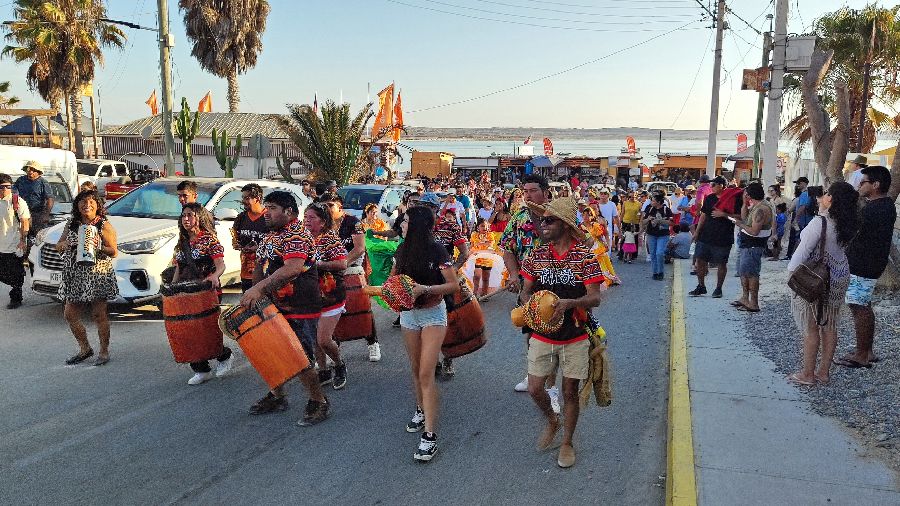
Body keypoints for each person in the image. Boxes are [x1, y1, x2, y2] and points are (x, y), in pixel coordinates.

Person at [519, 197, 605, 468]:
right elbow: (526, 289)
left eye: (549, 220)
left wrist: (571, 304)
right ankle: (552, 420)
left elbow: (595, 298)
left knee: (570, 391)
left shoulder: (584, 256)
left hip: (575, 334)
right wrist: (526, 300)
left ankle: (567, 441)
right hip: (541, 334)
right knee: (534, 389)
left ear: (565, 225)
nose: (542, 225)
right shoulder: (537, 254)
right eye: (542, 220)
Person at [240, 191, 330, 424]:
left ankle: (318, 401)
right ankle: (278, 396)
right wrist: (256, 292)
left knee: (299, 356)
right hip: (273, 305)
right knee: (270, 351)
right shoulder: (270, 237)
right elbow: (260, 266)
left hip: (300, 305)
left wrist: (258, 290)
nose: (265, 212)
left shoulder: (297, 235)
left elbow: (292, 268)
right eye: (266, 207)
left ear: (288, 212)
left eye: (271, 208)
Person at [393, 206, 459, 462]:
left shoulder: (437, 250)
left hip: (433, 314)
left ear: (418, 224)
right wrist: (389, 290)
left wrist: (425, 289)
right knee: (414, 367)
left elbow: (453, 284)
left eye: (407, 221)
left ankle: (430, 436)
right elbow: (393, 281)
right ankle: (420, 409)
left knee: (425, 371)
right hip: (409, 314)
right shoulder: (401, 250)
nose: (402, 225)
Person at [786, 181, 859, 386]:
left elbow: (800, 254)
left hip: (816, 277)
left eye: (826, 194)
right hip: (839, 275)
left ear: (831, 200)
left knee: (811, 327)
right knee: (830, 324)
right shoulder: (849, 223)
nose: (822, 197)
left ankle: (807, 374)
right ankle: (823, 372)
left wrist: (790, 276)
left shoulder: (820, 223)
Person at [500, 174, 558, 409]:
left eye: (533, 190)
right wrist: (514, 275)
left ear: (545, 192)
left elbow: (581, 246)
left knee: (553, 337)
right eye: (525, 191)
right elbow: (507, 249)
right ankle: (534, 375)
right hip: (527, 287)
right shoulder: (520, 217)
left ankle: (552, 389)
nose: (528, 195)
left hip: (556, 286)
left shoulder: (558, 216)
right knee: (530, 336)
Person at [836, 166, 896, 369]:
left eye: (863, 182)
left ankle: (862, 354)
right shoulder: (882, 206)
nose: (859, 186)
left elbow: (852, 228)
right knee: (862, 305)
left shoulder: (877, 208)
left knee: (858, 306)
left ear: (876, 185)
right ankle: (866, 350)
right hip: (866, 265)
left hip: (864, 266)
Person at [171, 203, 234, 384]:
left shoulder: (209, 240)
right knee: (188, 331)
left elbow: (221, 265)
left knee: (207, 329)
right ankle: (201, 369)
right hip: (185, 292)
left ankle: (224, 356)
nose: (186, 219)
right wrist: (173, 289)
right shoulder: (181, 242)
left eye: (190, 215)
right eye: (183, 216)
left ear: (199, 217)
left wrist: (214, 276)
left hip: (206, 292)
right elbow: (178, 268)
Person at [56, 190, 118, 366]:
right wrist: (65, 244)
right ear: (77, 205)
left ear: (97, 205)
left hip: (96, 274)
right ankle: (85, 348)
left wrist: (98, 246)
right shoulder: (72, 223)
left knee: (99, 315)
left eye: (91, 202)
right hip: (75, 275)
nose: (86, 205)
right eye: (82, 201)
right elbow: (58, 246)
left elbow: (113, 251)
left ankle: (104, 351)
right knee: (70, 314)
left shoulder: (103, 225)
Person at [319, 193, 382, 362]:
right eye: (323, 206)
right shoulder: (323, 224)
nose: (326, 209)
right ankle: (334, 345)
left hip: (352, 268)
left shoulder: (352, 222)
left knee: (362, 307)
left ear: (340, 207)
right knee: (333, 309)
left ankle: (372, 342)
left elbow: (360, 248)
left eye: (330, 205)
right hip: (330, 272)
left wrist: (342, 263)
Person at [421, 192, 469, 377]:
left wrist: (452, 271)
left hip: (443, 282)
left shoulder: (450, 226)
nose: (423, 211)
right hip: (421, 280)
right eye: (421, 207)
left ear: (435, 209)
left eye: (427, 207)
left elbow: (464, 252)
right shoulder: (415, 227)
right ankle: (432, 359)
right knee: (425, 322)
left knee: (447, 321)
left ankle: (448, 358)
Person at [304, 202, 349, 389]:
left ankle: (339, 365)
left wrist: (317, 265)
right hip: (309, 297)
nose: (306, 221)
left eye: (311, 218)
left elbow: (342, 264)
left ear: (322, 222)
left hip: (330, 295)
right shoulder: (301, 238)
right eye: (305, 217)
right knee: (315, 339)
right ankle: (323, 371)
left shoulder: (330, 239)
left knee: (323, 339)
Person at [689, 176, 734, 298]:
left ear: (721, 186)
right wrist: (697, 232)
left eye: (713, 185)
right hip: (706, 234)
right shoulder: (710, 198)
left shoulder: (732, 198)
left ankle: (718, 288)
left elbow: (739, 217)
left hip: (723, 236)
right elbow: (703, 215)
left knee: (721, 263)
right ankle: (701, 286)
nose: (711, 187)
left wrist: (724, 214)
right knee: (700, 260)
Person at [732, 183, 773, 312]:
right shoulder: (757, 206)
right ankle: (745, 298)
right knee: (744, 271)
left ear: (749, 194)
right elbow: (746, 219)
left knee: (751, 273)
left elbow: (754, 230)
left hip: (753, 245)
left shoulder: (761, 209)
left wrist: (739, 224)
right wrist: (744, 204)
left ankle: (753, 303)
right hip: (748, 244)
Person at [0, 173, 30, 309]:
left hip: (14, 244)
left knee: (16, 274)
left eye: (8, 187)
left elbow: (25, 222)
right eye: (2, 187)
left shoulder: (17, 201)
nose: (5, 189)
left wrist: (23, 240)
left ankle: (16, 298)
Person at [232, 183, 268, 292]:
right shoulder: (241, 217)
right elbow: (235, 239)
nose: (243, 201)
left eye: (247, 198)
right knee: (247, 304)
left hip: (265, 272)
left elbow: (277, 243)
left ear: (258, 198)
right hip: (246, 271)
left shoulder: (269, 217)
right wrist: (236, 244)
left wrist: (259, 248)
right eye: (243, 198)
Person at [581, 207, 619, 286]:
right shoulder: (580, 226)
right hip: (586, 246)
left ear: (592, 216)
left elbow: (599, 237)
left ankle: (605, 280)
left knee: (600, 264)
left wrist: (605, 244)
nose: (585, 217)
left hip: (596, 246)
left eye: (587, 215)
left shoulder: (595, 225)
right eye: (583, 215)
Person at [14, 160, 53, 234]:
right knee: (22, 233)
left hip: (37, 213)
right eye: (28, 169)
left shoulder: (43, 182)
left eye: (32, 170)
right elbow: (13, 192)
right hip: (22, 212)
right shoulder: (21, 180)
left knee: (37, 235)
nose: (30, 172)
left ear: (38, 171)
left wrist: (46, 215)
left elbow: (50, 199)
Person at [641, 193, 674, 281]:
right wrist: (648, 219)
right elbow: (643, 222)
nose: (651, 202)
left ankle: (661, 272)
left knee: (659, 253)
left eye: (653, 200)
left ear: (659, 202)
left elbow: (672, 223)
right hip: (651, 234)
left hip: (663, 235)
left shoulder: (666, 210)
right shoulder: (650, 209)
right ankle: (655, 273)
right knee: (653, 254)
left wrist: (660, 221)